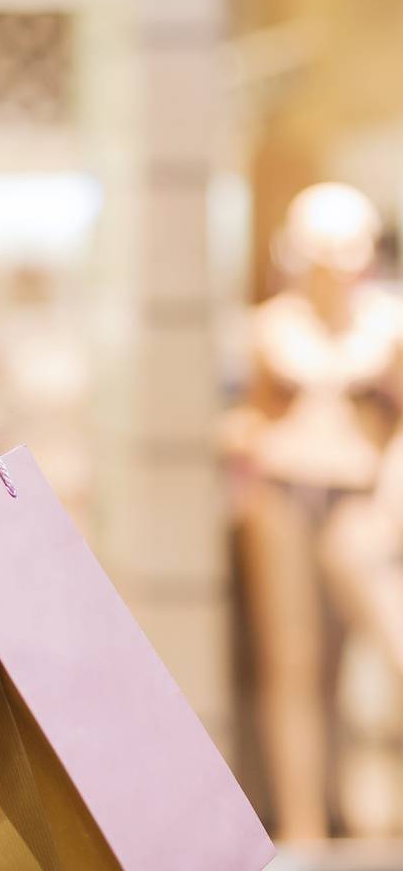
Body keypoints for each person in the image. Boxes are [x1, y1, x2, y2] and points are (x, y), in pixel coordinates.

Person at [222, 182, 403, 839]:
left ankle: (365, 813)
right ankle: (303, 825)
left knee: (377, 655)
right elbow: (243, 417)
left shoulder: (387, 325)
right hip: (284, 496)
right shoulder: (272, 327)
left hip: (363, 502)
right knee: (292, 663)